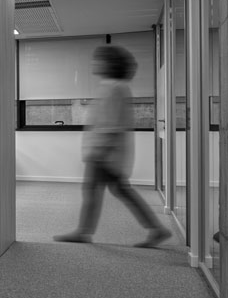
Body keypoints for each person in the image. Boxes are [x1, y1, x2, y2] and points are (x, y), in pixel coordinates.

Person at [54, 44, 172, 249]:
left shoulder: (114, 88)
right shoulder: (112, 86)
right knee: (119, 190)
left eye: (98, 59)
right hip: (107, 152)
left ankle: (84, 231)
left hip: (105, 153)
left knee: (94, 190)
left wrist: (98, 152)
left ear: (110, 64)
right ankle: (156, 229)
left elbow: (112, 125)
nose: (94, 63)